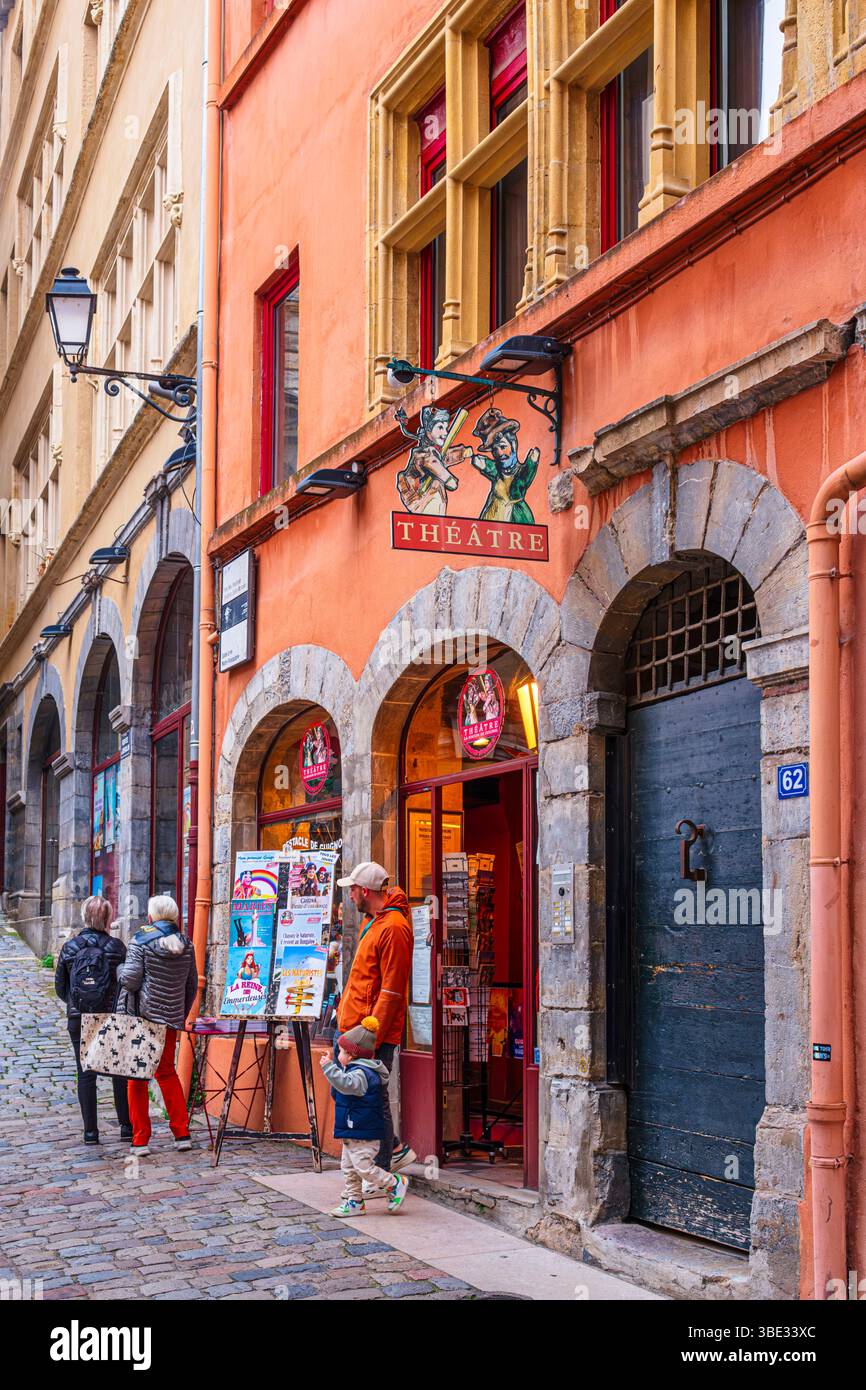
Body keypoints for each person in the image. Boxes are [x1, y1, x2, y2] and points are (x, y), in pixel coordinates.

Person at [335, 860, 416, 1175]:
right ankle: (392, 1150)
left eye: (352, 889)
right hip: (360, 1026)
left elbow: (392, 992)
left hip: (371, 1031)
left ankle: (384, 1164)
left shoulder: (394, 927)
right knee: (368, 1094)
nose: (350, 895)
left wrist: (369, 1037)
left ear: (364, 890)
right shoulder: (376, 921)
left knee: (373, 1096)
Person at [116, 894, 198, 1157]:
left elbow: (129, 980)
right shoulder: (187, 944)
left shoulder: (141, 940)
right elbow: (192, 985)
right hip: (170, 1019)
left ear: (151, 917)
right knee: (167, 1073)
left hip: (144, 1018)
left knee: (137, 1079)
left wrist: (118, 969)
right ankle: (181, 1133)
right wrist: (179, 1012)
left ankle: (140, 1139)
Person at [54, 896, 131, 1146]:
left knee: (86, 1073)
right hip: (110, 1016)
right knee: (118, 1071)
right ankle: (126, 1127)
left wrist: (77, 1005)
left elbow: (60, 987)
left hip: (79, 1017)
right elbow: (124, 984)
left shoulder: (69, 948)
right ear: (107, 918)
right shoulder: (118, 947)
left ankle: (90, 1133)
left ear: (84, 916)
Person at [319, 1015, 408, 1217]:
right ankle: (355, 1202)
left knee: (364, 1168)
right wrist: (335, 1067)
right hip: (353, 1131)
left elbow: (345, 1084)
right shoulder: (355, 1069)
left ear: (351, 1055)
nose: (338, 1054)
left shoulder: (361, 1074)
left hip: (364, 1132)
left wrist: (329, 1068)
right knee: (349, 1168)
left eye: (341, 1051)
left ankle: (394, 1183)